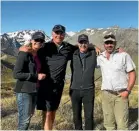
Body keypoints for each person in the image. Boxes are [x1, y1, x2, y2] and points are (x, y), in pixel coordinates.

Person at [19, 24, 100, 130]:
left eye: (61, 33)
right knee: (47, 113)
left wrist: (93, 46)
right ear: (52, 34)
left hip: (59, 85)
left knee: (53, 111)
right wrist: (24, 48)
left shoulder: (67, 47)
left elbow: (80, 46)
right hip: (46, 84)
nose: (59, 35)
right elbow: (33, 49)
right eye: (57, 33)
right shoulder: (45, 47)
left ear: (64, 35)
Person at [97, 33, 136, 130]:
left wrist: (127, 91)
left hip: (121, 95)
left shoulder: (123, 55)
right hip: (106, 95)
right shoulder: (100, 58)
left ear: (115, 44)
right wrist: (93, 46)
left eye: (112, 42)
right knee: (109, 124)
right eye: (107, 43)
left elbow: (132, 74)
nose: (109, 45)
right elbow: (83, 49)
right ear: (104, 44)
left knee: (122, 125)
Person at [13, 32, 46, 130]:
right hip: (24, 91)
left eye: (41, 40)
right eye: (36, 40)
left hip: (34, 90)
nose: (38, 42)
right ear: (32, 40)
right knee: (24, 121)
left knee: (29, 116)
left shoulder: (39, 54)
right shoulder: (24, 53)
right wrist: (36, 77)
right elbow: (16, 74)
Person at [70, 34, 96, 130]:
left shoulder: (93, 53)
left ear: (88, 43)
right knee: (76, 116)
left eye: (85, 42)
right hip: (74, 90)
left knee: (89, 116)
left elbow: (107, 50)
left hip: (89, 90)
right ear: (78, 43)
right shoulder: (73, 53)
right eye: (81, 42)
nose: (83, 44)